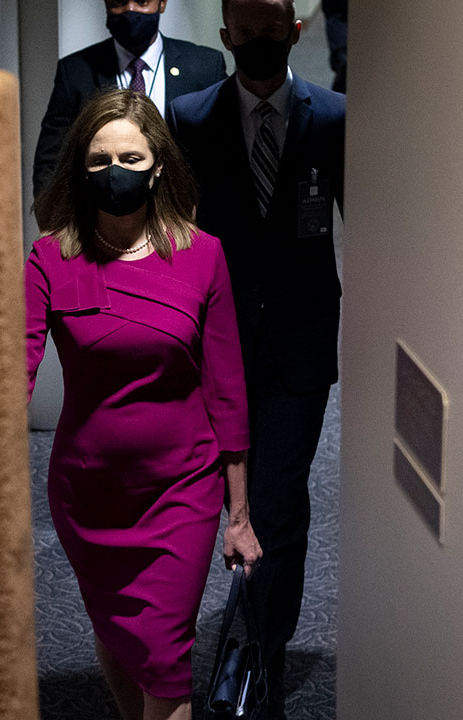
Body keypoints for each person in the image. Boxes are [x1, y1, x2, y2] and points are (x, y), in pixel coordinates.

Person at [27, 88, 261, 720]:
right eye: (100, 160)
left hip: (180, 490)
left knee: (165, 658)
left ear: (158, 166)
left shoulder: (203, 255)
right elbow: (13, 366)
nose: (116, 172)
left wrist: (239, 515)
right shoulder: (51, 258)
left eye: (130, 159)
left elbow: (227, 390)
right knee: (116, 630)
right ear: (81, 169)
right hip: (88, 495)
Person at [167, 1, 345, 716]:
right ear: (226, 37)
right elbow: (174, 227)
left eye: (273, 29)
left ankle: (264, 657)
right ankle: (210, 641)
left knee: (279, 501)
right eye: (246, 31)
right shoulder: (190, 118)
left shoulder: (334, 117)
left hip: (301, 341)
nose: (260, 41)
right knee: (219, 501)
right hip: (215, 343)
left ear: (295, 31)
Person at [32, 0, 228, 198]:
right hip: (102, 209)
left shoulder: (205, 66)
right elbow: (51, 159)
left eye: (142, 2)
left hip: (186, 208)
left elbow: (224, 152)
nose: (131, 10)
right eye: (119, 2)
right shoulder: (75, 71)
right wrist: (52, 214)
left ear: (162, 4)